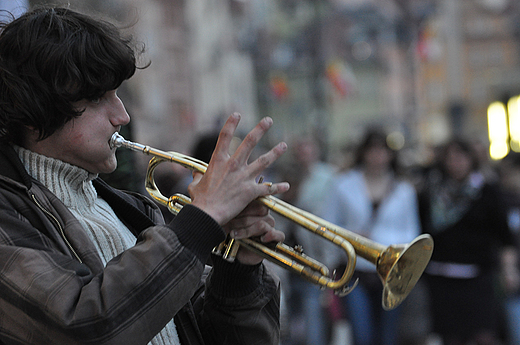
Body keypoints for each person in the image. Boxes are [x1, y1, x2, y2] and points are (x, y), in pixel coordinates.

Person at [0, 6, 291, 345]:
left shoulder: (133, 212)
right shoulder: (8, 218)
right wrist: (201, 222)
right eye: (97, 98)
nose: (122, 115)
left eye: (118, 94)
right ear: (34, 110)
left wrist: (238, 268)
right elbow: (84, 327)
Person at [321, 128, 421, 345]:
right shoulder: (342, 185)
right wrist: (349, 236)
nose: (377, 156)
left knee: (388, 336)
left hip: (391, 275)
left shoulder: (404, 190)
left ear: (390, 155)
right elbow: (327, 225)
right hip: (355, 270)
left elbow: (412, 233)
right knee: (362, 334)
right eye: (372, 150)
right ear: (363, 153)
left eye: (382, 150)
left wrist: (384, 246)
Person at [418, 138, 516, 345]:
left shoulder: (488, 192)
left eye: (461, 157)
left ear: (471, 159)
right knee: (451, 337)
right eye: (450, 158)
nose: (456, 163)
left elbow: (504, 237)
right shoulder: (430, 192)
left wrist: (509, 271)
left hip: (478, 277)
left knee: (483, 334)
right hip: (441, 278)